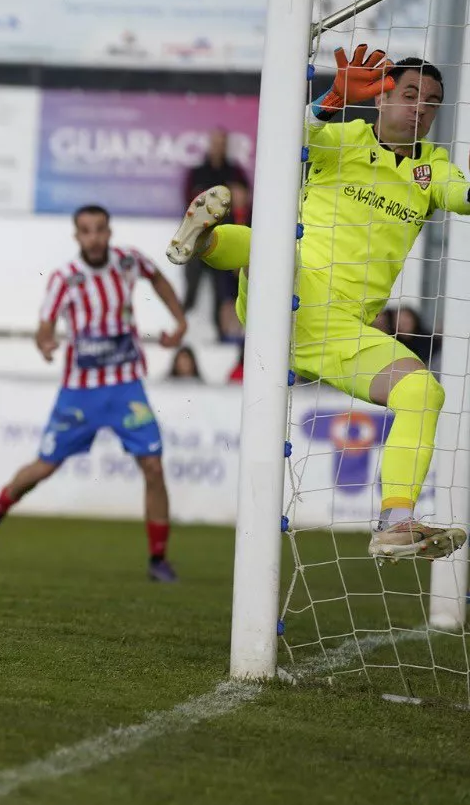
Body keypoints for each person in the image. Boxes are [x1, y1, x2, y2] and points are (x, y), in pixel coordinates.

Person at [169, 46, 468, 560]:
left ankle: (396, 524)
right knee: (277, 246)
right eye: (410, 94)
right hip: (286, 297)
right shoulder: (348, 137)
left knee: (423, 393)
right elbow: (293, 138)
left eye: (433, 101)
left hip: (340, 333)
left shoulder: (432, 166)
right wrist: (331, 98)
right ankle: (207, 242)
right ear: (382, 98)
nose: (421, 107)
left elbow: (460, 196)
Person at [0, 205, 186, 582]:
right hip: (79, 392)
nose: (94, 237)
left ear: (109, 231)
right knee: (43, 468)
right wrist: (45, 342)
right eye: (86, 231)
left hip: (125, 386)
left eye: (100, 229)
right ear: (76, 236)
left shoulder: (128, 262)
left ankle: (158, 560)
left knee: (152, 465)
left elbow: (159, 278)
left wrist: (179, 320)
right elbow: (44, 326)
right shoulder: (65, 279)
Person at [181, 130, 249, 339]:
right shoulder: (197, 172)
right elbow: (188, 203)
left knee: (224, 291)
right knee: (191, 289)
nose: (218, 146)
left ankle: (221, 334)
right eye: (215, 142)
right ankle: (179, 325)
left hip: (223, 239)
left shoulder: (235, 171)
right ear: (210, 145)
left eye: (222, 143)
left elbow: (245, 199)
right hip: (198, 236)